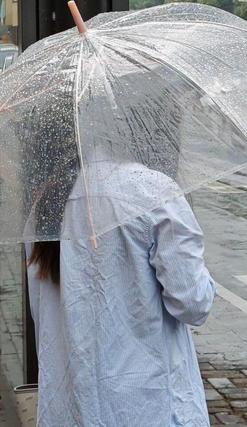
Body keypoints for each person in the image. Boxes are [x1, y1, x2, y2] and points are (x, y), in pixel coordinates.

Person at [25, 94, 215, 426]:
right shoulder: (155, 193)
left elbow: (42, 311)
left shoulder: (46, 207)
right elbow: (193, 303)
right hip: (146, 405)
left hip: (69, 407)